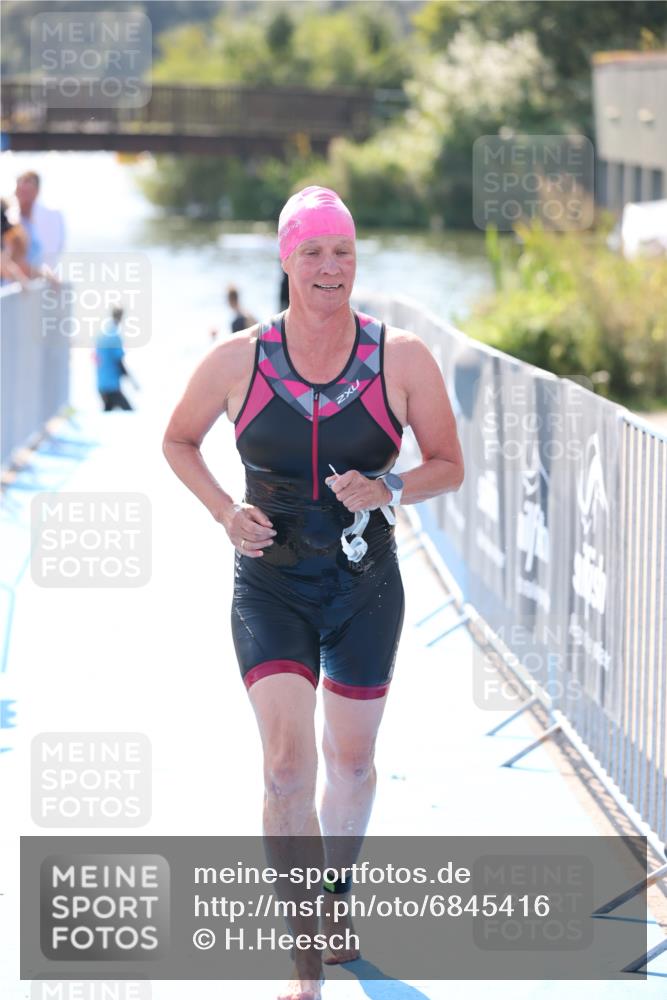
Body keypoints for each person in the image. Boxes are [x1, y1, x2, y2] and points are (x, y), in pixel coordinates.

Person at [163, 186, 464, 1000]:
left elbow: (448, 464)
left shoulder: (401, 358)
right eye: (313, 252)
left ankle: (335, 895)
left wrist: (390, 486)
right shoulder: (239, 359)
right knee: (287, 770)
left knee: (351, 763)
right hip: (271, 585)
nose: (330, 267)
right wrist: (224, 511)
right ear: (285, 259)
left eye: (343, 251)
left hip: (365, 586)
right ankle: (304, 960)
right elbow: (178, 439)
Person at [15, 170, 65, 269]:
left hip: (41, 273)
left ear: (37, 192)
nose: (23, 199)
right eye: (20, 192)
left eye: (27, 193)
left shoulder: (51, 216)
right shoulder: (8, 218)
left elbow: (53, 250)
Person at [94, 307, 136, 412]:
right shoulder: (114, 337)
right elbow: (119, 361)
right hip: (111, 386)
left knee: (108, 412)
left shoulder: (102, 335)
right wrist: (132, 380)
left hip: (101, 384)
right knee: (129, 411)